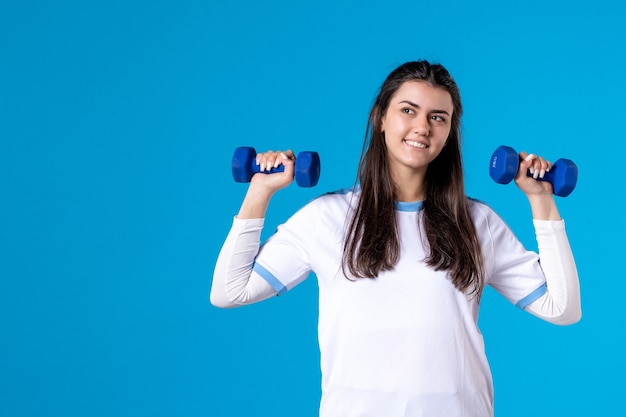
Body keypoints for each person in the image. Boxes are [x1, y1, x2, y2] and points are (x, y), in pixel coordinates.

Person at [210, 60, 581, 417]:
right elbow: (229, 290)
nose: (423, 127)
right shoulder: (327, 217)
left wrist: (541, 199)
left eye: (438, 118)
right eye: (408, 110)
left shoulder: (476, 222)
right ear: (380, 118)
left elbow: (562, 309)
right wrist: (259, 191)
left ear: (449, 132)